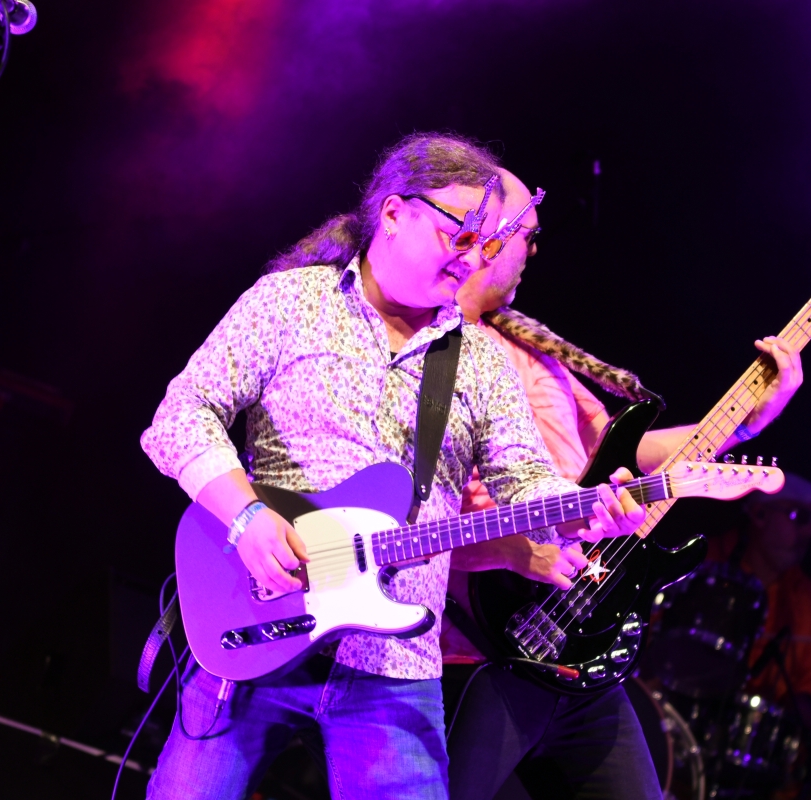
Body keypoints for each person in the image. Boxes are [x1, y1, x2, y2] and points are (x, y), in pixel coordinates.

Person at [138, 134, 647, 800]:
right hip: (252, 621)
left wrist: (585, 509)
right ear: (394, 213)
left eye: (486, 244)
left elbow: (525, 481)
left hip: (391, 666)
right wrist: (248, 517)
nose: (473, 258)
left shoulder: (482, 361)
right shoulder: (289, 303)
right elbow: (180, 416)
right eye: (459, 234)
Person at [441, 168, 806, 800]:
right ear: (489, 236)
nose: (534, 250)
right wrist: (513, 550)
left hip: (575, 642)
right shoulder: (427, 350)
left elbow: (624, 448)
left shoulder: (533, 352)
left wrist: (746, 421)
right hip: (478, 648)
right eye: (528, 234)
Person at [703, 472, 811, 800]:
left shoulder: (807, 599)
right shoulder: (706, 559)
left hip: (755, 736)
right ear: (760, 514)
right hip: (686, 706)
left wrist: (795, 718)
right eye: (800, 517)